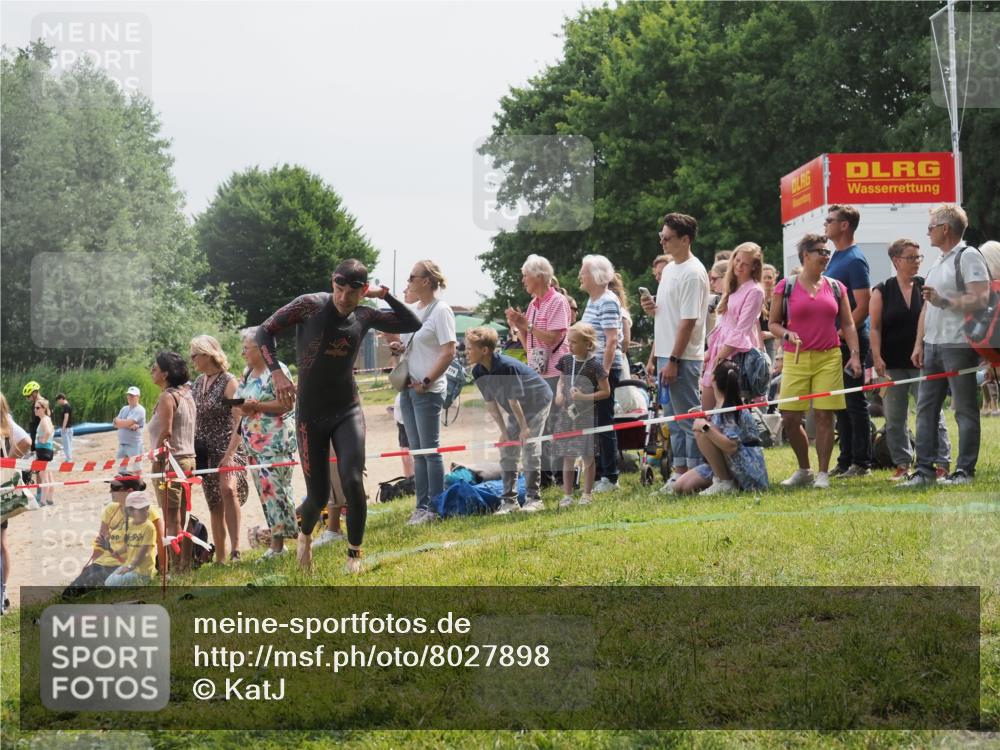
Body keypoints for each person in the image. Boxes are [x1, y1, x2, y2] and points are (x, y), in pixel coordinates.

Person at [258, 259, 420, 572]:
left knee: (352, 480)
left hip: (347, 409)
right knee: (317, 496)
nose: (344, 297)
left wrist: (384, 295)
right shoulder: (309, 305)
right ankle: (304, 535)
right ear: (332, 283)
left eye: (352, 291)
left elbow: (411, 322)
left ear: (363, 291)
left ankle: (354, 556)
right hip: (310, 413)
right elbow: (265, 331)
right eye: (339, 288)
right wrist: (277, 372)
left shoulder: (365, 314)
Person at [903, 204, 991, 487]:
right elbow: (927, 309)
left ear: (945, 229)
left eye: (931, 227)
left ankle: (964, 471)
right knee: (926, 409)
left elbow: (981, 299)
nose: (927, 232)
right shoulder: (938, 261)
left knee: (964, 409)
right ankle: (925, 472)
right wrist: (919, 343)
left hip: (958, 344)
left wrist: (945, 301)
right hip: (932, 346)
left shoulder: (968, 257)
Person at [769, 234, 862, 489]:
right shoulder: (785, 286)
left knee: (823, 415)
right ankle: (804, 469)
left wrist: (854, 355)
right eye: (820, 251)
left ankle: (822, 473)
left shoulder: (835, 287)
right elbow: (773, 323)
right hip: (795, 357)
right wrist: (786, 333)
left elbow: (848, 323)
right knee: (789, 416)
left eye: (827, 252)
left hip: (829, 357)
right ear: (805, 255)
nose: (825, 256)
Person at [870, 239, 951, 480]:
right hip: (891, 364)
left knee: (933, 413)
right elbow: (874, 327)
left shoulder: (926, 287)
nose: (916, 262)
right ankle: (903, 463)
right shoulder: (882, 289)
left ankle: (941, 462)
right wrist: (876, 357)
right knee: (895, 417)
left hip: (923, 361)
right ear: (896, 261)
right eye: (911, 258)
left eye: (918, 257)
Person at [642, 212, 709, 494]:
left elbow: (689, 321)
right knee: (673, 420)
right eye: (661, 237)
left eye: (667, 238)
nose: (662, 242)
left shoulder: (693, 273)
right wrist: (652, 307)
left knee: (688, 420)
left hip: (683, 358)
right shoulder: (670, 269)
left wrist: (673, 360)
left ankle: (695, 474)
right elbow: (670, 313)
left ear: (685, 239)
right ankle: (679, 472)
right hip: (666, 356)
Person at [389, 260, 457, 527]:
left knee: (430, 450)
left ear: (426, 281)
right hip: (407, 388)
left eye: (412, 276)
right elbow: (411, 346)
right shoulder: (413, 310)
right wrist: (397, 347)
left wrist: (427, 380)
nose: (409, 281)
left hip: (427, 390)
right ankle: (422, 506)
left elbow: (448, 351)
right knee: (417, 451)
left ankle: (435, 507)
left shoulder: (442, 311)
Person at [222, 328, 299, 561]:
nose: (243, 352)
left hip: (274, 443)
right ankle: (278, 545)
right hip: (253, 444)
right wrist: (242, 407)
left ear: (261, 349)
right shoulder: (247, 372)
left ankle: (278, 547)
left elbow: (287, 405)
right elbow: (246, 402)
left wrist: (257, 407)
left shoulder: (278, 371)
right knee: (265, 494)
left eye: (246, 348)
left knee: (276, 492)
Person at [466, 326, 553, 513]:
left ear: (484, 350)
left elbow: (514, 402)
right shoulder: (479, 372)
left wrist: (524, 428)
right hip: (518, 408)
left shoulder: (507, 367)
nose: (466, 352)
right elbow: (491, 404)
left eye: (469, 348)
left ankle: (534, 499)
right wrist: (504, 433)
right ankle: (509, 501)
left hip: (537, 401)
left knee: (529, 448)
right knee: (507, 451)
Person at [505, 255, 571, 488]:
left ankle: (561, 476)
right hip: (538, 372)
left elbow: (554, 337)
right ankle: (544, 477)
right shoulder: (533, 305)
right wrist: (517, 326)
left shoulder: (558, 301)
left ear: (539, 276)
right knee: (538, 425)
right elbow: (530, 345)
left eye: (525, 275)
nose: (523, 280)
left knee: (555, 423)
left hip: (555, 371)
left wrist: (528, 326)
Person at [190, 334, 250, 563]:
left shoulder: (229, 382)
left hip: (228, 446)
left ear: (207, 355)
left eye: (195, 355)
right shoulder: (197, 382)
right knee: (213, 502)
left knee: (228, 490)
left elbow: (239, 420)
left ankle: (236, 550)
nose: (192, 359)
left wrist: (231, 454)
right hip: (205, 450)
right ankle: (221, 557)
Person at [822, 204, 873, 478]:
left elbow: (863, 305)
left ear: (844, 225)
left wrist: (842, 333)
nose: (825, 224)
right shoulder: (834, 258)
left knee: (854, 401)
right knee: (839, 403)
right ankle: (845, 460)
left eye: (830, 220)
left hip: (850, 340)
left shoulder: (854, 259)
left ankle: (861, 462)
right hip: (834, 340)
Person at [671, 359, 769, 495]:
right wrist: (706, 420)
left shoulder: (729, 410)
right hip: (727, 463)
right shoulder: (720, 407)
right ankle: (723, 480)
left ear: (713, 379)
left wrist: (705, 426)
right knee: (680, 487)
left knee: (701, 431)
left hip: (749, 472)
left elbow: (731, 446)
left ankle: (725, 483)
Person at [63, 473, 165, 596]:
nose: (110, 491)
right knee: (69, 593)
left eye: (114, 487)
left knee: (93, 592)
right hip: (104, 562)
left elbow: (161, 543)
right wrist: (92, 563)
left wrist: (164, 573)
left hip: (126, 564)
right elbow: (100, 541)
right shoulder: (111, 509)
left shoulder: (149, 511)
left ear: (129, 491)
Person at [578, 254, 624, 493]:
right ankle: (599, 474)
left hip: (603, 370)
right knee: (595, 422)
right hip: (591, 369)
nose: (580, 276)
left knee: (604, 422)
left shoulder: (607, 301)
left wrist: (603, 372)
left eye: (583, 272)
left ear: (595, 277)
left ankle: (611, 476)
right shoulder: (593, 300)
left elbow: (612, 339)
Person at [550, 322, 610, 508]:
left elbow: (606, 391)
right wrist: (559, 393)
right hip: (567, 416)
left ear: (588, 343)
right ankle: (567, 495)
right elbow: (561, 381)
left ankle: (587, 493)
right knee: (567, 456)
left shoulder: (595, 365)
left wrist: (584, 396)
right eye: (569, 341)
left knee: (587, 456)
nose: (570, 345)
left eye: (574, 342)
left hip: (586, 416)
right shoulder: (567, 361)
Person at [701, 242, 766, 410]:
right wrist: (710, 353)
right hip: (719, 347)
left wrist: (719, 357)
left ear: (754, 267)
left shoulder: (755, 291)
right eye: (737, 260)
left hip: (734, 353)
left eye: (745, 264)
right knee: (707, 409)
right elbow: (722, 322)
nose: (739, 266)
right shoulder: (732, 284)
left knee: (727, 412)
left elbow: (741, 330)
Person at [148, 351, 197, 572]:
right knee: (182, 515)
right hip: (188, 459)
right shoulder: (186, 394)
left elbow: (166, 432)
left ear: (166, 373)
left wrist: (156, 457)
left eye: (155, 368)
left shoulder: (167, 396)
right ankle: (184, 564)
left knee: (171, 518)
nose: (152, 371)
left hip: (171, 461)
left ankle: (176, 567)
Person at [1, 392, 31, 614]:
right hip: (3, 487)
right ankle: (3, 593)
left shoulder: (6, 423)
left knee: (1, 544)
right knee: (1, 543)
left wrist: (9, 461)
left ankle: (2, 593)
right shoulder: (7, 422)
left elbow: (27, 441)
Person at [105, 492, 157, 587]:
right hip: (131, 565)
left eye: (146, 508)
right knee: (109, 581)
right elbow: (127, 545)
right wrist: (118, 552)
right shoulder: (130, 525)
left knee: (111, 584)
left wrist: (130, 567)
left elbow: (144, 552)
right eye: (140, 509)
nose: (146, 512)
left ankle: (146, 580)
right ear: (129, 511)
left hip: (142, 572)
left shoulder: (149, 527)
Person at [33, 397, 56, 506]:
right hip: (48, 450)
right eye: (35, 408)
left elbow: (47, 431)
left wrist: (43, 440)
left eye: (38, 408)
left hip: (43, 451)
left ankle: (42, 501)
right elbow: (52, 430)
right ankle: (50, 499)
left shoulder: (44, 420)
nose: (35, 410)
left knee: (43, 476)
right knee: (49, 475)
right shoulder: (48, 419)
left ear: (44, 408)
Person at [113, 387, 146, 459]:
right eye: (129, 395)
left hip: (134, 445)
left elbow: (125, 422)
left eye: (132, 395)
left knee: (136, 469)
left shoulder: (140, 410)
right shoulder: (124, 408)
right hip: (122, 445)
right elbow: (114, 424)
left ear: (138, 397)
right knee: (121, 469)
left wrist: (121, 423)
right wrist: (128, 425)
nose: (130, 397)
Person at [760, 264, 779, 364]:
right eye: (764, 278)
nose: (767, 280)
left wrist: (769, 334)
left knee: (768, 372)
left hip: (770, 342)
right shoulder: (756, 296)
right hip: (754, 341)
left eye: (769, 277)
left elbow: (785, 325)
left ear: (774, 279)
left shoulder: (778, 298)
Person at [705, 259, 729, 339]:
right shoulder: (724, 300)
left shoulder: (734, 301)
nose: (711, 283)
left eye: (714, 279)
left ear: (726, 277)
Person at [54, 394, 73, 462]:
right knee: (69, 444)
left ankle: (68, 459)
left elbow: (66, 417)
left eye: (58, 401)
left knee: (66, 445)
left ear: (61, 399)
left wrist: (63, 427)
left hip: (66, 428)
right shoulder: (68, 406)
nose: (58, 403)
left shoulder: (66, 406)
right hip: (69, 428)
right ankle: (69, 458)